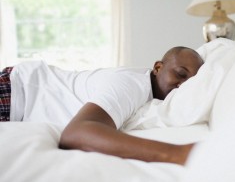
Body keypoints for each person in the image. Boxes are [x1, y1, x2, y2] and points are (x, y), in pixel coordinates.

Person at [0, 46, 204, 165]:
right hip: (16, 91)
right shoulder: (133, 84)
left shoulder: (150, 97)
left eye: (192, 82)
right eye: (180, 73)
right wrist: (179, 153)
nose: (183, 85)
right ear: (158, 67)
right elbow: (77, 133)